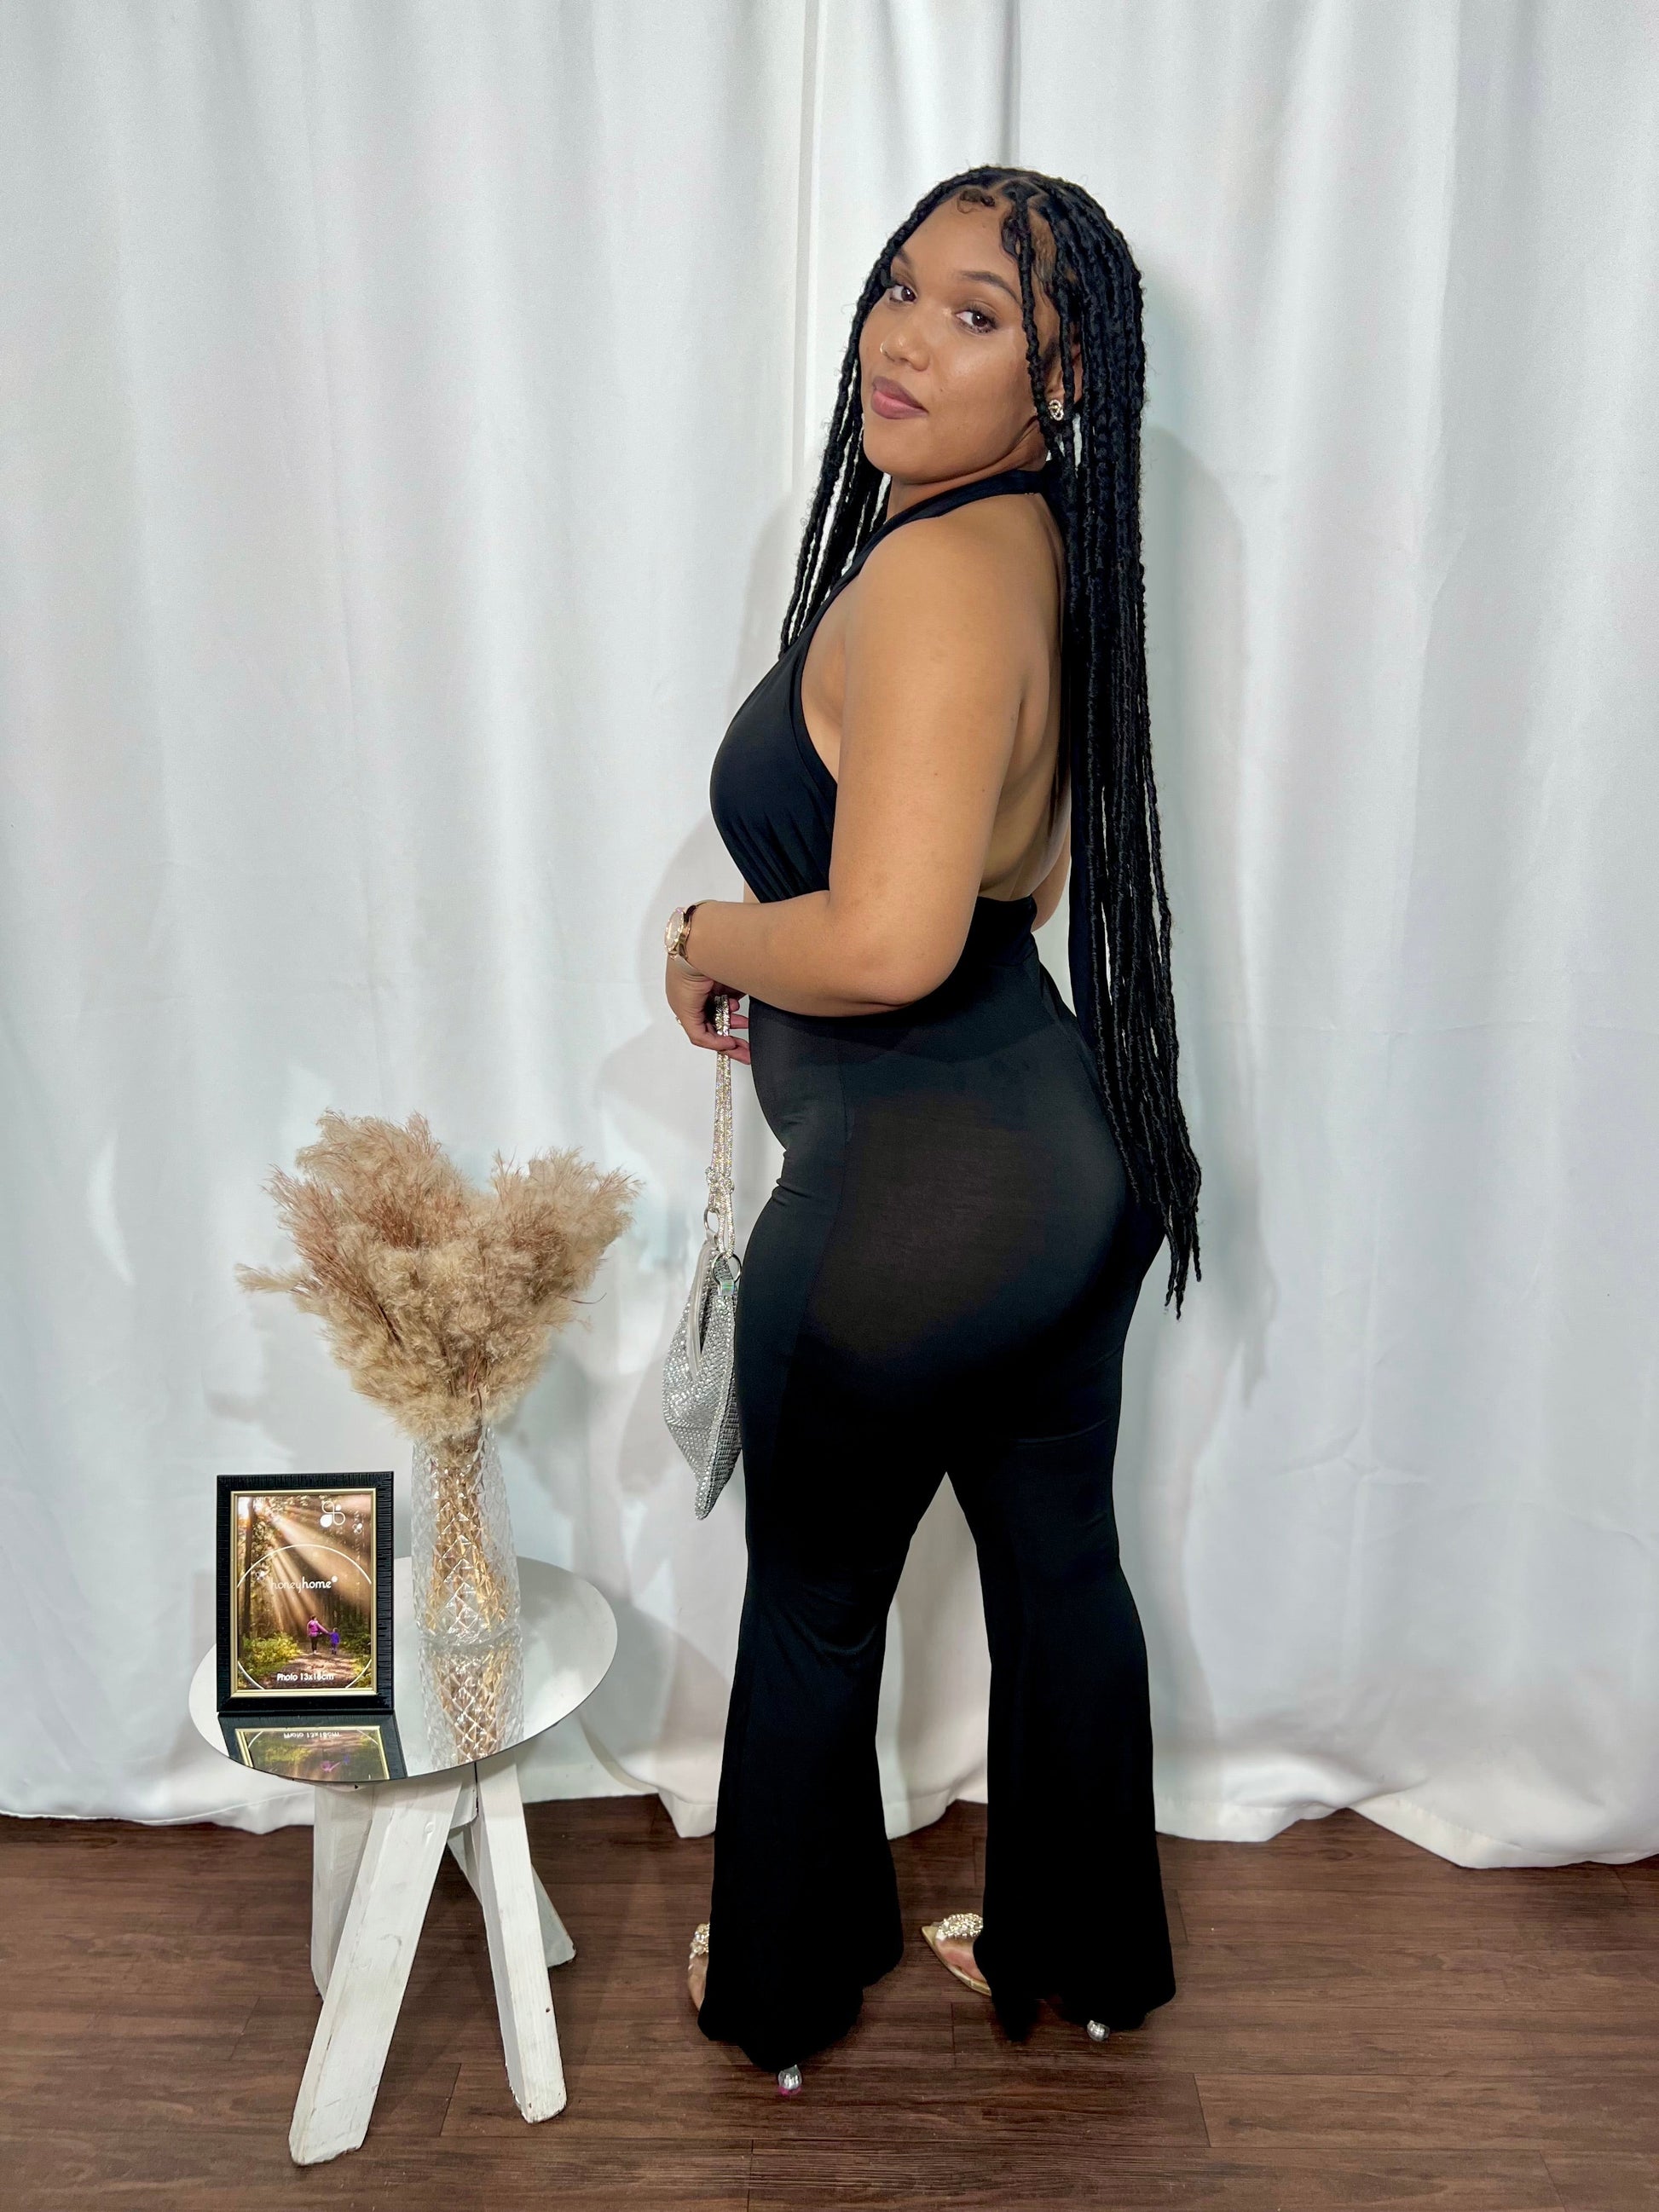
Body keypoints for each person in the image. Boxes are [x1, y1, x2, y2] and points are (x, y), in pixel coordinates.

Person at [663, 166, 1202, 2095]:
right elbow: (1016, 879)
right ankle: (1090, 1957)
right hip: (1060, 1166)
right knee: (1062, 1571)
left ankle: (783, 1985)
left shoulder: (928, 578)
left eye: (976, 315)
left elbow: (889, 941)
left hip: (913, 1203)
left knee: (817, 1606)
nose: (904, 339)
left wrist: (706, 934)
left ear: (1061, 374)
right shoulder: (1040, 542)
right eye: (901, 289)